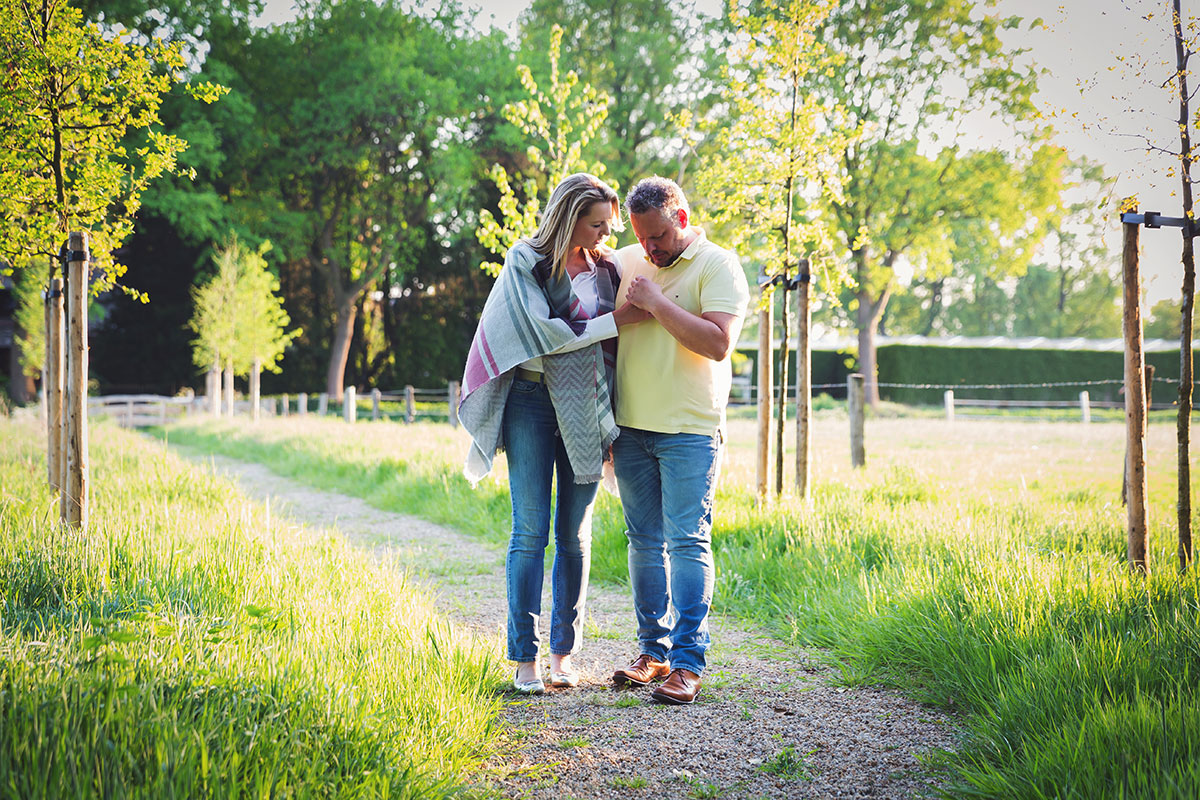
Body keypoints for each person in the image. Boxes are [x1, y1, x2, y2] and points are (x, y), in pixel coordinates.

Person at [458, 173, 648, 695]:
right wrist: (618, 321)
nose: (607, 234)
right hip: (530, 403)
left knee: (575, 535)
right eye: (597, 224)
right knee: (530, 532)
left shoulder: (606, 268)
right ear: (569, 218)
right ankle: (525, 659)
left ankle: (563, 655)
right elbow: (541, 331)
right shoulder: (527, 261)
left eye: (609, 224)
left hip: (586, 404)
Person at [609, 176, 750, 705]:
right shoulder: (627, 260)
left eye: (659, 237)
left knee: (687, 542)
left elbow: (717, 343)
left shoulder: (719, 265)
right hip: (630, 427)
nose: (650, 248)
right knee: (643, 543)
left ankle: (688, 664)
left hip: (691, 429)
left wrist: (655, 301)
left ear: (683, 220)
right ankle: (653, 653)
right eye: (642, 238)